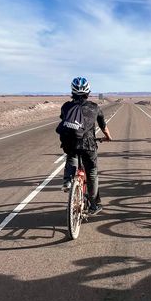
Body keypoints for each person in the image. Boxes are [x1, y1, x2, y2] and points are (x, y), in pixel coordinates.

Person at [56, 76, 112, 214]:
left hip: (70, 143)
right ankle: (93, 205)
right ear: (88, 92)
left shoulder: (66, 107)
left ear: (72, 92)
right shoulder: (94, 107)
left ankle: (67, 180)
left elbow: (65, 121)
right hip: (88, 144)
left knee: (71, 155)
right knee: (92, 172)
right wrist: (108, 137)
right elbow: (103, 126)